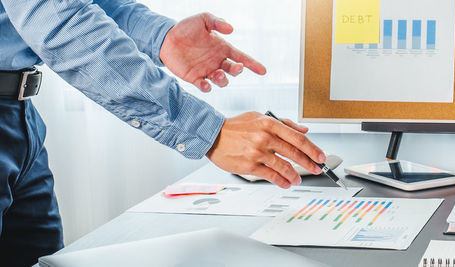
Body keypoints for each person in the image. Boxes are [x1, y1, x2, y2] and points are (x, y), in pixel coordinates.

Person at [0, 1, 326, 266]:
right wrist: (207, 130)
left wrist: (162, 36)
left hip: (19, 114)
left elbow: (81, 6)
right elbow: (58, 20)